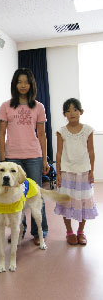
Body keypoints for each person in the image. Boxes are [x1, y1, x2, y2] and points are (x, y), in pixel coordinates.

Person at [0, 68, 49, 246]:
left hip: (34, 155)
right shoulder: (6, 106)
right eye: (19, 82)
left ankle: (39, 231)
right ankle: (19, 229)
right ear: (14, 84)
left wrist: (44, 159)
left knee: (35, 195)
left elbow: (42, 135)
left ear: (31, 85)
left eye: (26, 82)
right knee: (15, 196)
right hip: (13, 156)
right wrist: (3, 159)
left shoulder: (39, 106)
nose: (22, 85)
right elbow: (2, 133)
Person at [54, 98, 98, 245]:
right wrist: (58, 173)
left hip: (84, 172)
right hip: (67, 172)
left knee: (84, 202)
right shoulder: (61, 132)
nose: (71, 113)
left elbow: (91, 151)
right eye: (68, 110)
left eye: (74, 109)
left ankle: (81, 231)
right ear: (64, 114)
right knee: (66, 202)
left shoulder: (88, 130)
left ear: (81, 112)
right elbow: (59, 153)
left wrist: (92, 170)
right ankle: (69, 232)